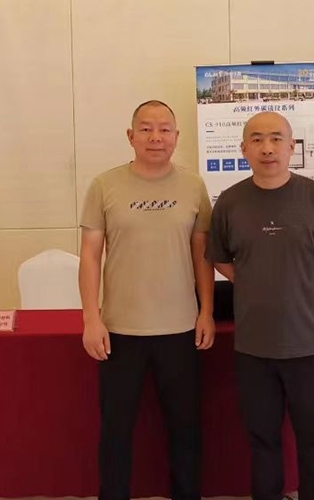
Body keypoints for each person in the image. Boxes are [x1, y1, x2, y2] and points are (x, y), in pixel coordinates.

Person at [206, 111, 314, 500]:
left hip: (307, 344)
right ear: (244, 149)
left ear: (291, 147)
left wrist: (307, 290)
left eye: (275, 139)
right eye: (256, 139)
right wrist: (253, 283)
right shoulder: (230, 202)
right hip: (253, 346)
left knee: (312, 438)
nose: (267, 148)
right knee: (262, 437)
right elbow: (220, 259)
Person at [79, 100, 214, 500]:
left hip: (181, 330)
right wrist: (91, 318)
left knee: (185, 429)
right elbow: (90, 255)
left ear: (176, 136)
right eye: (146, 128)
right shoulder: (105, 185)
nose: (156, 137)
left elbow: (202, 255)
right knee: (116, 431)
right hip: (120, 331)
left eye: (165, 129)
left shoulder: (193, 186)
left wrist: (206, 311)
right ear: (130, 136)